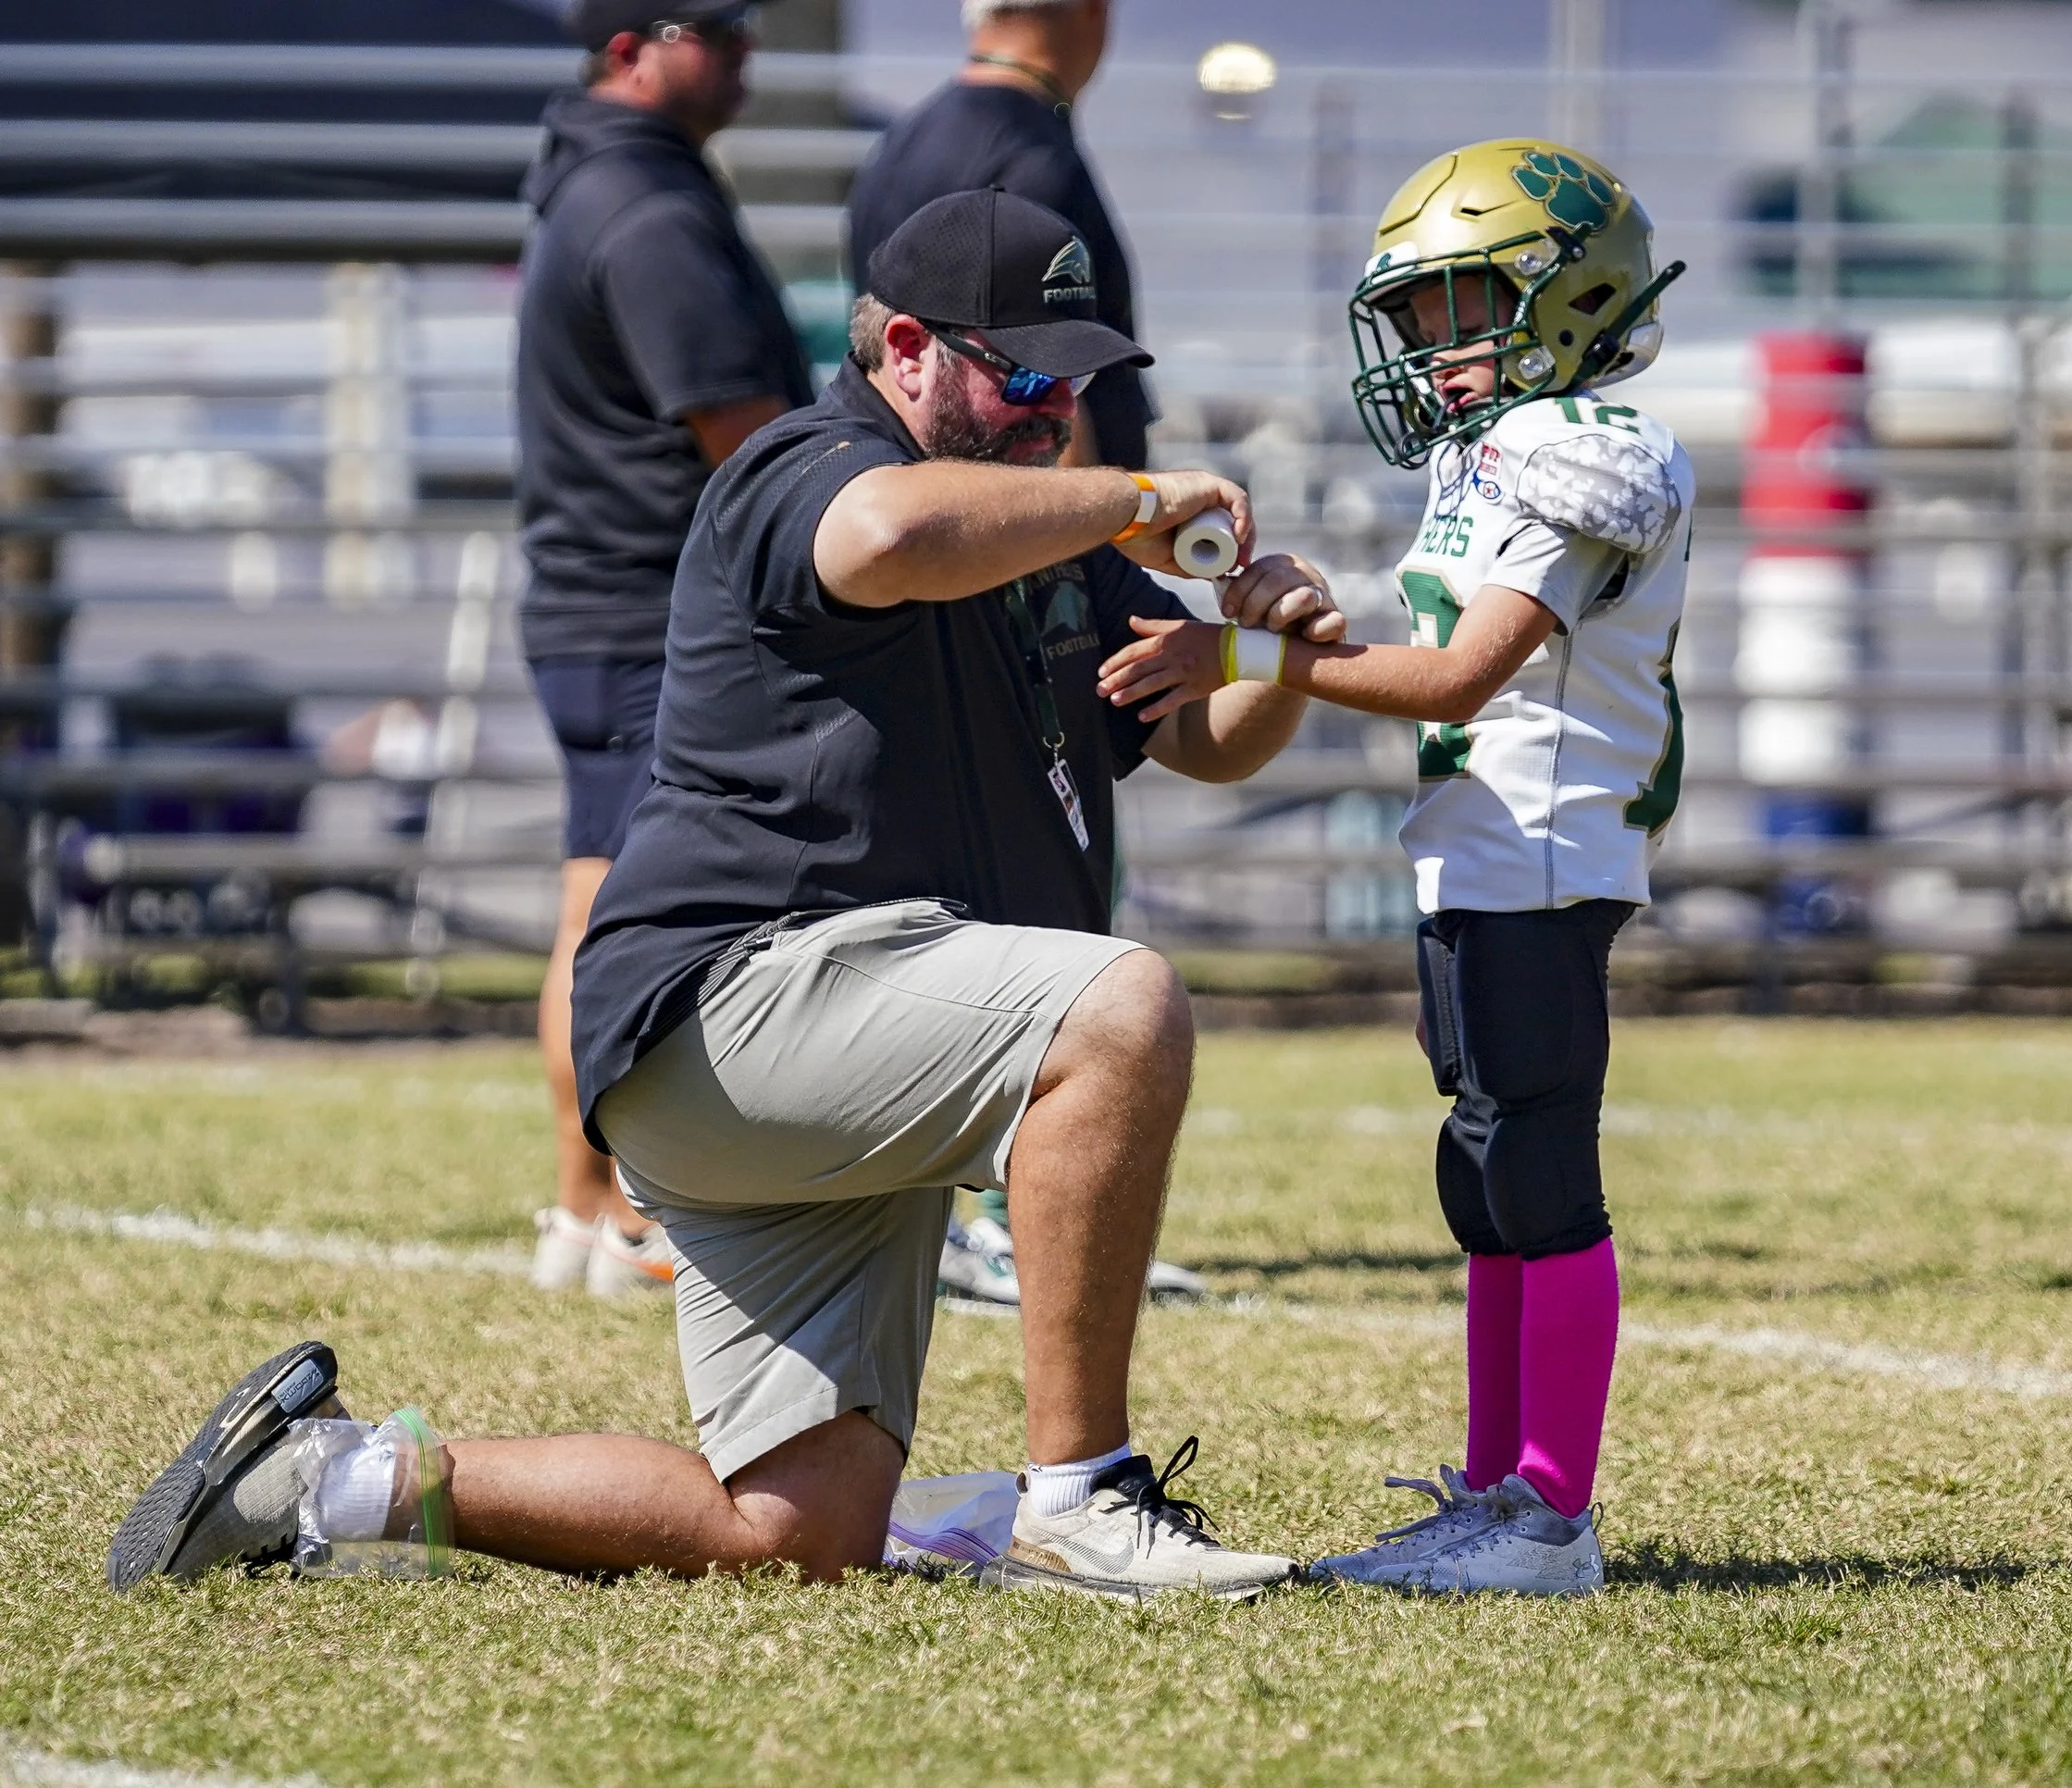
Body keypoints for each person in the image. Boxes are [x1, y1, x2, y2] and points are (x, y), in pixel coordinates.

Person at [108, 190, 1343, 1602]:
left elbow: (1197, 742)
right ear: (904, 346)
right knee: (1122, 1006)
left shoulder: (1034, 528)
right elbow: (884, 538)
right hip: (741, 1004)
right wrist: (1130, 499)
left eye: (1076, 382)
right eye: (1024, 373)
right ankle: (1081, 1496)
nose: (1053, 410)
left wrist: (1264, 654)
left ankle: (329, 1479)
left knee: (798, 1531)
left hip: (847, 1035)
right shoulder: (802, 464)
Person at [1099, 140, 1689, 1596]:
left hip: (1545, 852)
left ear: (1568, 295)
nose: (1437, 345)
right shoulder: (1495, 451)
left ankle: (1550, 1516)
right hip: (1485, 854)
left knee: (1539, 1174)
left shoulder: (1585, 447)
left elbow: (1457, 682)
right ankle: (1497, 1493)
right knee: (1484, 1177)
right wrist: (1298, 622)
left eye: (1462, 307)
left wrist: (1233, 653)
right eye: (1420, 316)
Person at [845, 0, 1197, 1301]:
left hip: (958, 564)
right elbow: (1032, 403)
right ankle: (987, 1207)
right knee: (1029, 898)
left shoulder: (907, 140)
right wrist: (1107, 546)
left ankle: (965, 1205)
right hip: (1008, 575)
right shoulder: (1027, 152)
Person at [517, 0, 817, 1297]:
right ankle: (609, 1213)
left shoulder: (607, 180)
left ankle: (592, 1209)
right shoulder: (646, 208)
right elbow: (746, 440)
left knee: (603, 891)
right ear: (632, 43)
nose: (748, 51)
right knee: (622, 912)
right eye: (720, 28)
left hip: (607, 604)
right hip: (648, 612)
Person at [847, 0, 1148, 474]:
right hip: (1018, 522)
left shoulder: (904, 140)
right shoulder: (1034, 158)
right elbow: (1046, 371)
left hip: (923, 493)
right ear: (1094, 10)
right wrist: (1080, 537)